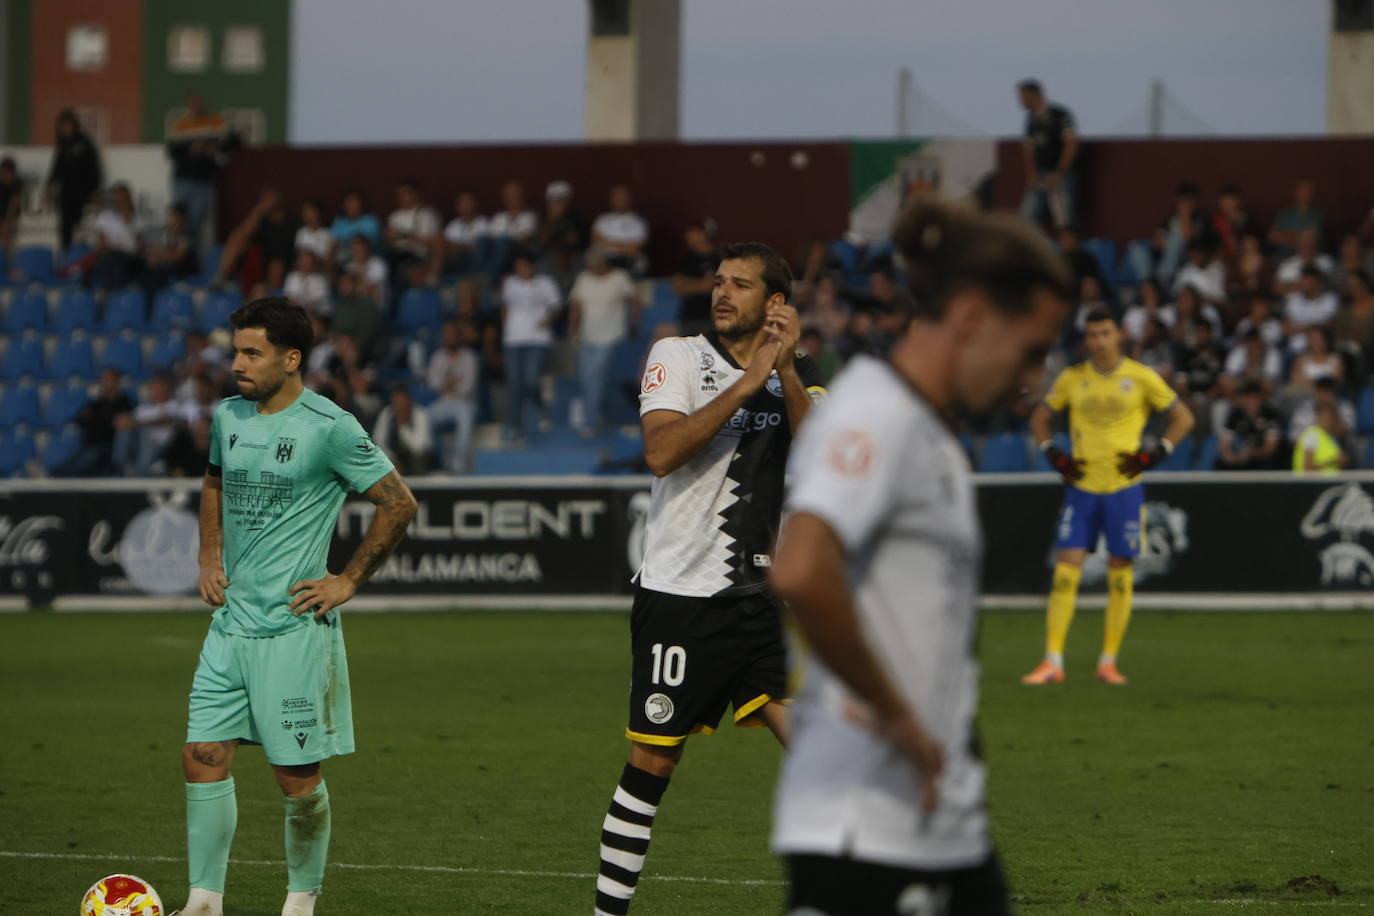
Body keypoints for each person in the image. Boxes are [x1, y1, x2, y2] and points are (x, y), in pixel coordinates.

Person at [767, 200, 1072, 916]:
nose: (1035, 376)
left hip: (942, 825)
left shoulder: (928, 432)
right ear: (969, 317)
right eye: (1030, 349)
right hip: (866, 828)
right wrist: (898, 717)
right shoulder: (873, 413)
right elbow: (802, 570)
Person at [590, 242, 826, 916]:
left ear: (775, 304)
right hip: (680, 598)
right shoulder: (677, 355)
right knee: (652, 766)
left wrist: (782, 369)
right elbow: (661, 452)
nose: (723, 293)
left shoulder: (802, 373)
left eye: (742, 285)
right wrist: (749, 384)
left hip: (762, 603)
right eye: (719, 282)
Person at [176, 297, 417, 916]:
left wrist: (348, 581)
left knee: (296, 780)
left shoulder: (329, 426)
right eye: (236, 351)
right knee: (202, 755)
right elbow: (212, 480)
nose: (237, 364)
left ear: (291, 358)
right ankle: (204, 902)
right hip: (231, 625)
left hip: (293, 629)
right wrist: (210, 555)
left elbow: (399, 503)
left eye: (251, 353)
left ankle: (300, 902)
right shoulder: (229, 417)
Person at [1023, 310, 1195, 686]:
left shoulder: (1141, 377)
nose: (1098, 340)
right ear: (1086, 339)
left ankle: (1108, 661)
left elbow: (1183, 418)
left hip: (1124, 488)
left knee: (1120, 572)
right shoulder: (1072, 379)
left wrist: (1155, 454)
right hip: (1082, 487)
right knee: (1066, 571)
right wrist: (1055, 454)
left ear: (1119, 335)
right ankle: (1053, 661)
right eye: (1092, 334)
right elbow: (1039, 419)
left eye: (1105, 333)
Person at [569, 249, 640, 434]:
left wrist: (633, 323)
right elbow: (576, 305)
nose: (593, 268)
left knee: (596, 377)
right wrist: (573, 329)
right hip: (587, 337)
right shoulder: (583, 278)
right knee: (586, 379)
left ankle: (590, 422)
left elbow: (635, 301)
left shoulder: (619, 277)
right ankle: (593, 417)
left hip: (611, 336)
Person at [499, 253, 562, 441]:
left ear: (532, 266)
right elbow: (504, 305)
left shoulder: (545, 283)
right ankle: (514, 427)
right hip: (513, 339)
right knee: (513, 385)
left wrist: (548, 321)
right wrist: (506, 325)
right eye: (518, 266)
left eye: (524, 266)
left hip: (537, 338)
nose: (521, 270)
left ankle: (541, 406)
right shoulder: (509, 283)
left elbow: (556, 307)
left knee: (531, 380)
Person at [167, 92, 239, 246]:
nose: (196, 105)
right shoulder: (181, 125)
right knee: (178, 218)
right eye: (193, 102)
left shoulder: (214, 122)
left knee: (197, 221)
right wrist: (190, 149)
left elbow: (233, 140)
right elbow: (171, 151)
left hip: (203, 181)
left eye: (198, 101)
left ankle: (191, 254)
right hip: (183, 179)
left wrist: (211, 148)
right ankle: (176, 250)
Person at [1017, 78, 1079, 231]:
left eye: (1022, 96)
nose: (1020, 101)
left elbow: (1071, 144)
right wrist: (1031, 175)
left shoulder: (1059, 115)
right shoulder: (1031, 119)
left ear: (1032, 94)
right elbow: (1028, 149)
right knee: (1026, 218)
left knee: (1064, 222)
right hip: (1040, 174)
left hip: (1059, 176)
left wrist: (1059, 172)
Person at [54, 367, 134, 477]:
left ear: (117, 381)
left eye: (109, 379)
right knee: (72, 460)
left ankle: (55, 477)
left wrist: (97, 420)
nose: (105, 382)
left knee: (83, 462)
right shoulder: (97, 402)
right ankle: (52, 475)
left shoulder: (124, 403)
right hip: (90, 444)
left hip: (109, 447)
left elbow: (119, 425)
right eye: (104, 379)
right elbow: (80, 419)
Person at [425, 319, 481, 473]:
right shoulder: (437, 356)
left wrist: (445, 385)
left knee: (464, 416)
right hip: (443, 403)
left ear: (459, 336)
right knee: (426, 416)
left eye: (452, 334)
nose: (449, 337)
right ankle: (437, 461)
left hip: (465, 403)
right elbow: (432, 383)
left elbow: (468, 387)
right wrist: (451, 383)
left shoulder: (469, 357)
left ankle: (459, 464)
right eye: (446, 335)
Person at [45, 109, 103, 251]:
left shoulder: (85, 143)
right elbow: (56, 167)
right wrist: (49, 185)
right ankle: (66, 252)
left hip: (83, 191)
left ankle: (79, 253)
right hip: (66, 192)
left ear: (74, 125)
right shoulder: (63, 145)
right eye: (62, 126)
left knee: (81, 225)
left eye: (67, 125)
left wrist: (95, 189)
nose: (65, 128)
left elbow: (94, 167)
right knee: (65, 226)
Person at [1217, 381, 1283, 471]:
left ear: (1261, 398)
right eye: (1248, 398)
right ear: (1242, 399)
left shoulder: (1271, 415)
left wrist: (1251, 453)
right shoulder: (1234, 414)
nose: (1251, 402)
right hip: (1239, 453)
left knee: (1270, 463)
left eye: (1254, 398)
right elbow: (1224, 443)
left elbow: (1270, 448)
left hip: (1261, 456)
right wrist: (1231, 457)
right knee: (1221, 463)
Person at [372, 386, 434, 474]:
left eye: (402, 402)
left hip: (418, 459)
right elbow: (378, 442)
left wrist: (403, 427)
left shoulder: (420, 414)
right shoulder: (386, 414)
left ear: (409, 402)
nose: (399, 407)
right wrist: (392, 459)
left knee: (419, 461)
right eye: (396, 403)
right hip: (394, 458)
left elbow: (419, 448)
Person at [591, 185, 650, 277]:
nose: (620, 200)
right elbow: (595, 242)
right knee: (591, 259)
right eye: (617, 197)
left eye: (623, 197)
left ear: (629, 199)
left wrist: (607, 242)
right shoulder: (602, 220)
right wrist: (624, 245)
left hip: (628, 262)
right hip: (605, 259)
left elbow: (633, 250)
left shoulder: (638, 222)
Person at [142, 203, 198, 298]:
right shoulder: (166, 233)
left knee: (158, 272)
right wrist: (156, 257)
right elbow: (149, 251)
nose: (171, 219)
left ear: (182, 218)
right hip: (168, 267)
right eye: (170, 216)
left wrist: (158, 255)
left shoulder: (188, 233)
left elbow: (179, 256)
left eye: (174, 216)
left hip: (185, 269)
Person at [671, 223, 718, 335]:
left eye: (693, 233)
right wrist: (700, 283)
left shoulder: (717, 257)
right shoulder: (687, 260)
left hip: (710, 317)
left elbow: (708, 286)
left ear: (703, 234)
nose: (688, 237)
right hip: (689, 318)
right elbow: (677, 287)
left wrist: (688, 283)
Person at [1269, 178, 1324, 258]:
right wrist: (1298, 237)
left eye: (1308, 191)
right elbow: (1273, 236)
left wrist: (1286, 236)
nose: (1305, 194)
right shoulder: (1285, 214)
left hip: (1309, 258)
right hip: (1285, 257)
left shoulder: (1318, 215)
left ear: (1313, 194)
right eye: (1302, 191)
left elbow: (1312, 239)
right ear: (1295, 192)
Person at [1292, 402, 1351, 475]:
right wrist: (1333, 461)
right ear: (1317, 417)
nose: (1327, 420)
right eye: (1324, 416)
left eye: (1329, 417)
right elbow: (1308, 468)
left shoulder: (1329, 437)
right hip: (1311, 484)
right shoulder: (1312, 434)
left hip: (1327, 483)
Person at [440, 190, 489, 278]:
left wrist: (461, 247)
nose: (466, 205)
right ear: (457, 206)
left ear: (475, 204)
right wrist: (464, 247)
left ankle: (477, 278)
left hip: (477, 260)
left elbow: (483, 247)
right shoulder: (452, 225)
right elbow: (447, 247)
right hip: (457, 260)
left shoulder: (484, 223)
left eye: (469, 201)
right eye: (462, 202)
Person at [329, 191, 381, 259]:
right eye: (349, 202)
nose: (352, 205)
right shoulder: (339, 222)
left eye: (355, 202)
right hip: (345, 259)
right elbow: (333, 242)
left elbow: (374, 243)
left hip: (369, 257)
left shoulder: (371, 221)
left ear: (361, 204)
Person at [294, 200, 334, 265]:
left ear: (317, 212)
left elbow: (329, 258)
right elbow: (299, 256)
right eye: (303, 211)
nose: (304, 214)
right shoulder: (301, 232)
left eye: (307, 211)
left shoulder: (328, 233)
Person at [0, 156, 21, 255]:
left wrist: (9, 219)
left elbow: (15, 202)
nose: (4, 175)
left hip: (8, 216)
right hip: (3, 215)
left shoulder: (15, 184)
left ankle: (7, 262)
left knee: (6, 242)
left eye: (6, 173)